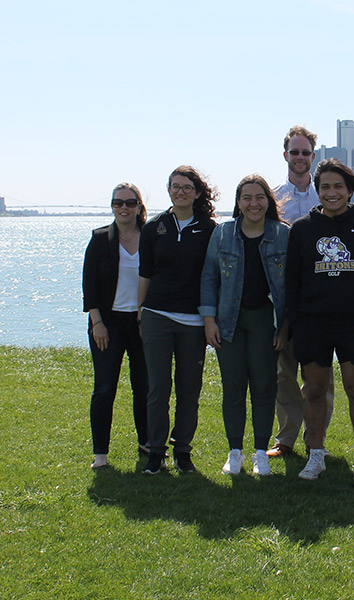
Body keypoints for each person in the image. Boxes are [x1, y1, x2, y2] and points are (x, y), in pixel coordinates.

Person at [287, 159, 354, 483]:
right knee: (314, 390)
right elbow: (292, 280)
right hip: (313, 324)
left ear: (349, 191)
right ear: (317, 191)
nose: (332, 193)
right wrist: (296, 321)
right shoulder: (303, 228)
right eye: (325, 187)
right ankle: (315, 455)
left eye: (338, 187)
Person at [200, 175, 290, 477]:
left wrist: (285, 326)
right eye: (247, 198)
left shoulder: (282, 235)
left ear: (268, 201)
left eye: (260, 197)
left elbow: (293, 286)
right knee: (234, 388)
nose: (254, 203)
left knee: (265, 387)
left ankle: (261, 452)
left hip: (267, 321)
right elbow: (210, 278)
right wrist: (209, 320)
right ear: (238, 203)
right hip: (229, 322)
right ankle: (235, 452)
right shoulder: (223, 234)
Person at [139, 166, 218, 475]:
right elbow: (145, 272)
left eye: (187, 187)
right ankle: (155, 452)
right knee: (158, 388)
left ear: (197, 193)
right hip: (157, 315)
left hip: (194, 321)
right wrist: (140, 310)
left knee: (189, 391)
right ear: (168, 190)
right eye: (175, 186)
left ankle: (182, 450)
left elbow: (213, 276)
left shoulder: (210, 229)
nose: (180, 191)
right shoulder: (153, 227)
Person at [267, 125, 335, 459]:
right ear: (285, 155)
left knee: (319, 376)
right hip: (281, 299)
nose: (299, 157)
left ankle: (315, 439)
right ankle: (286, 439)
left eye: (305, 152)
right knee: (284, 376)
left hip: (319, 299)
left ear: (313, 156)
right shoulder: (272, 196)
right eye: (294, 152)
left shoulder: (326, 195)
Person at [82, 183, 149, 469]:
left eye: (130, 203)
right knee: (105, 388)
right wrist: (97, 322)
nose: (123, 207)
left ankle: (147, 444)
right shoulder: (99, 239)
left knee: (144, 387)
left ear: (138, 206)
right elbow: (89, 286)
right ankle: (101, 455)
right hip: (107, 324)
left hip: (141, 323)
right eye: (117, 203)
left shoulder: (150, 237)